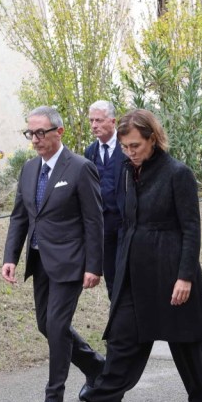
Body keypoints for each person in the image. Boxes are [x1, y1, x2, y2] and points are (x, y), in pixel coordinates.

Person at [78, 109, 202, 402]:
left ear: (153, 139)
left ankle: (201, 398)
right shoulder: (127, 171)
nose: (130, 152)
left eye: (135, 146)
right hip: (133, 267)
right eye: (125, 146)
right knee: (121, 335)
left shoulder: (177, 173)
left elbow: (191, 229)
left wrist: (185, 276)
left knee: (186, 337)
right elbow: (126, 221)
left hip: (170, 266)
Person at [2, 106, 105, 402]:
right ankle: (96, 367)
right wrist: (10, 257)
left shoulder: (79, 168)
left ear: (59, 132)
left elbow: (94, 220)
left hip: (71, 261)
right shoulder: (29, 169)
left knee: (58, 327)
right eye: (30, 133)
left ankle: (53, 400)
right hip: (40, 262)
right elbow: (20, 216)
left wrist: (94, 265)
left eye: (40, 132)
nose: (34, 139)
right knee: (45, 326)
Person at [83, 100, 126, 299]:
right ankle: (117, 324)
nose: (94, 125)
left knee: (128, 276)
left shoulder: (127, 147)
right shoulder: (90, 152)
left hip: (126, 223)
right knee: (110, 276)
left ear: (112, 121)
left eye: (98, 120)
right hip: (103, 226)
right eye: (91, 120)